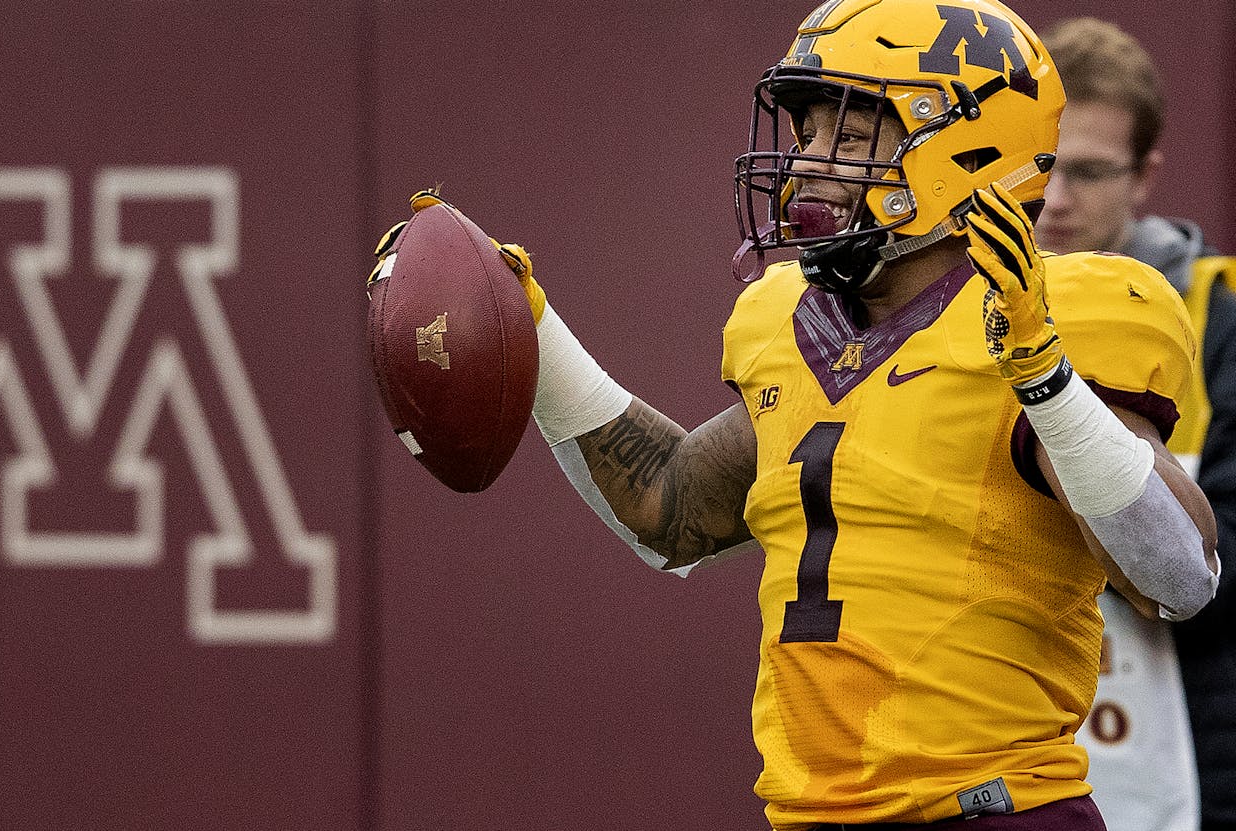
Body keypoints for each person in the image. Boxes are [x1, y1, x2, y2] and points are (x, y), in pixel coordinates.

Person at [371, 0, 1221, 827]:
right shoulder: (796, 325)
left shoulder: (1059, 312)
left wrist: (1046, 375)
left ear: (964, 147)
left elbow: (1181, 579)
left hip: (990, 807)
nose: (811, 160)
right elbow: (669, 508)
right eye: (809, 131)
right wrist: (534, 329)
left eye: (849, 134)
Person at [1035, 17, 1236, 831]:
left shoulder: (1216, 315)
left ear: (1146, 175)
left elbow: (1223, 570)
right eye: (1041, 165)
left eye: (1087, 172)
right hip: (998, 770)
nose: (1053, 199)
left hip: (1180, 775)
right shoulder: (946, 314)